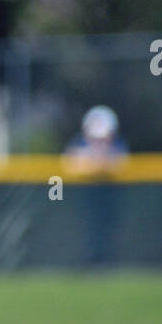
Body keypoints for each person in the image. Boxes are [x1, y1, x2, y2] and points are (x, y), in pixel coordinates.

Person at [63, 105, 129, 266]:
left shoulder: (118, 147)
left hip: (110, 201)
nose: (99, 143)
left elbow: (119, 163)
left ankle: (106, 262)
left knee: (107, 234)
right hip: (82, 203)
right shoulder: (77, 146)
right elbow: (68, 163)